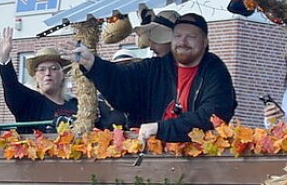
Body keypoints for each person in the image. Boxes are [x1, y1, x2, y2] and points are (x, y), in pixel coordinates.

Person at [72, 13, 238, 142]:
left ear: (205, 42)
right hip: (152, 156)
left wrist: (160, 128)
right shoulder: (156, 67)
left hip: (200, 160)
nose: (183, 42)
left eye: (191, 37)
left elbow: (211, 117)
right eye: (178, 36)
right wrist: (93, 64)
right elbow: (123, 80)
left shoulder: (215, 71)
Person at [0, 27, 76, 130]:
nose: (48, 73)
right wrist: (4, 60)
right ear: (35, 76)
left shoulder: (75, 104)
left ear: (63, 74)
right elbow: (11, 85)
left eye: (54, 68)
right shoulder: (29, 102)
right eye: (42, 69)